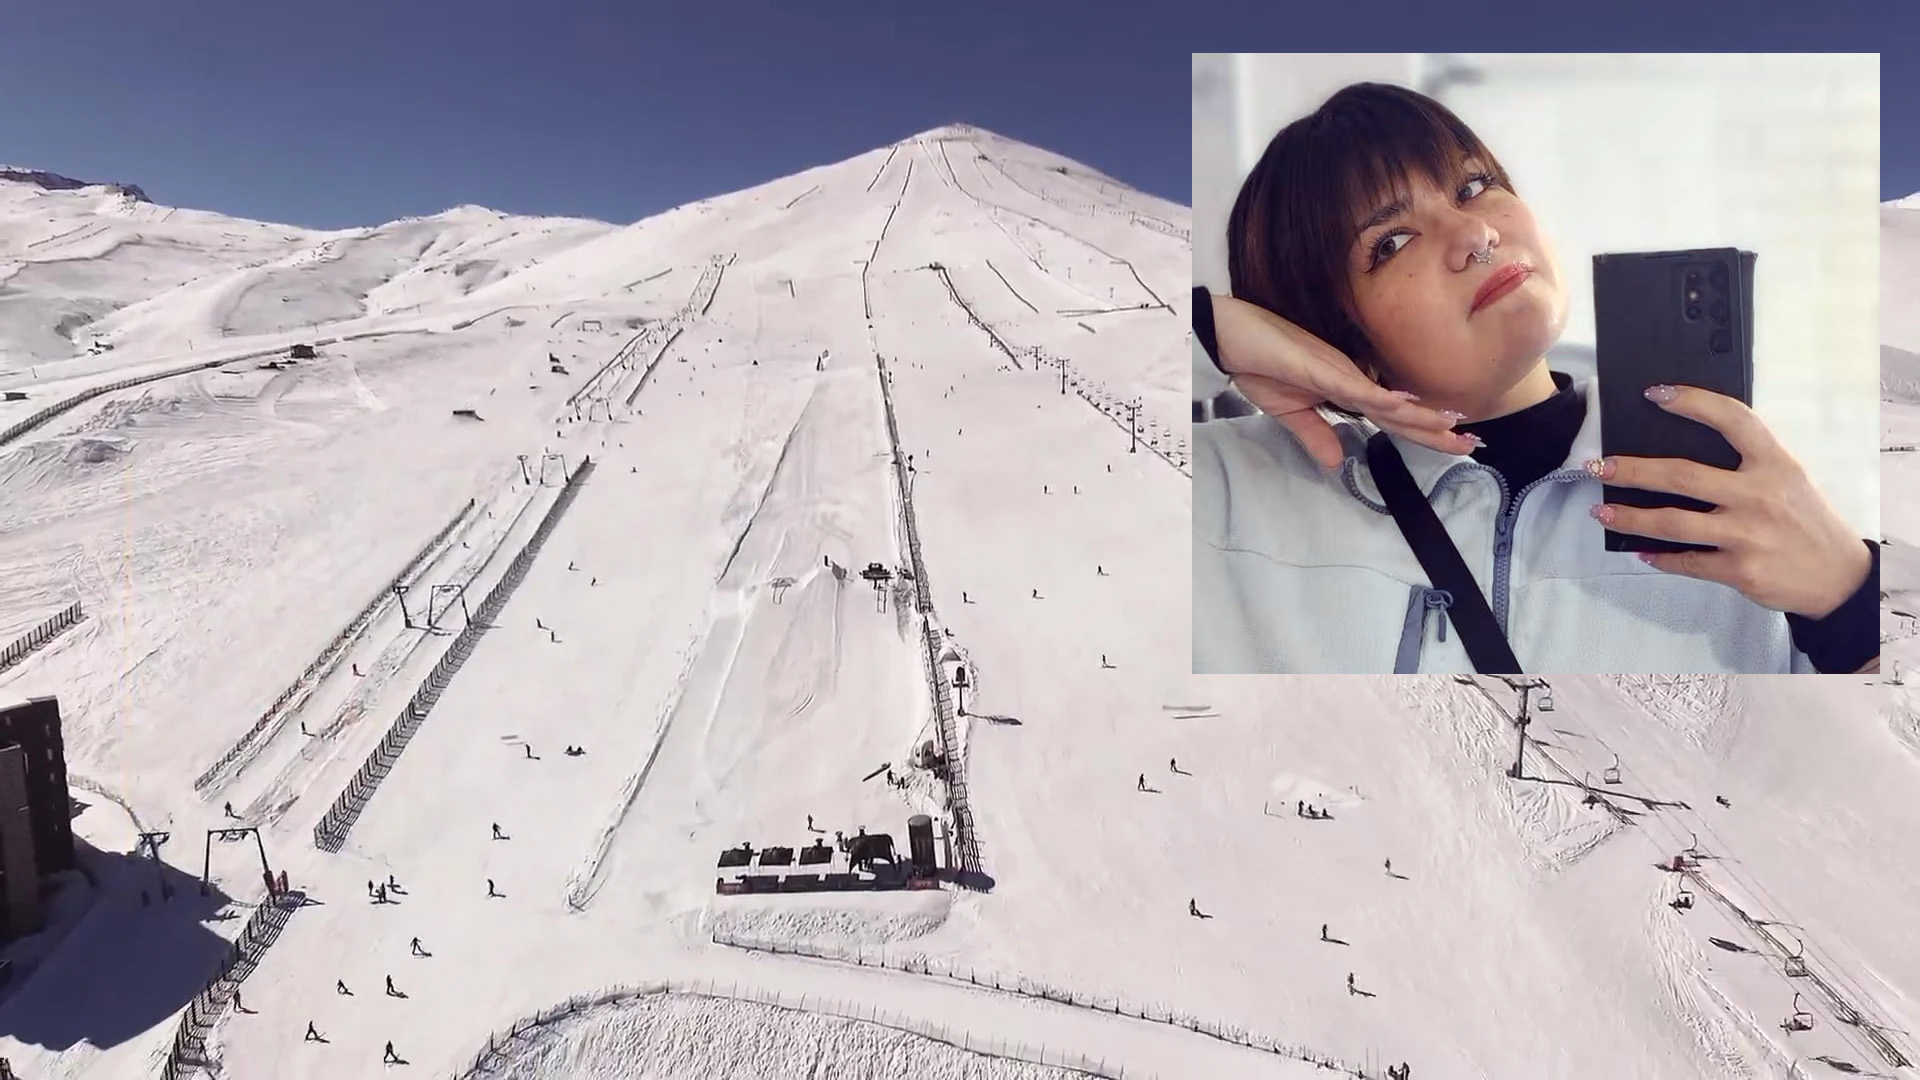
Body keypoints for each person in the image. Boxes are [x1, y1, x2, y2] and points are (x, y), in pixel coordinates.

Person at [1192, 82, 1878, 675]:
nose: (1474, 234)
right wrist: (1208, 331)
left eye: (1472, 187)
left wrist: (1850, 603)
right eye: (1391, 243)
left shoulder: (1744, 493)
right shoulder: (1223, 491)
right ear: (1327, 333)